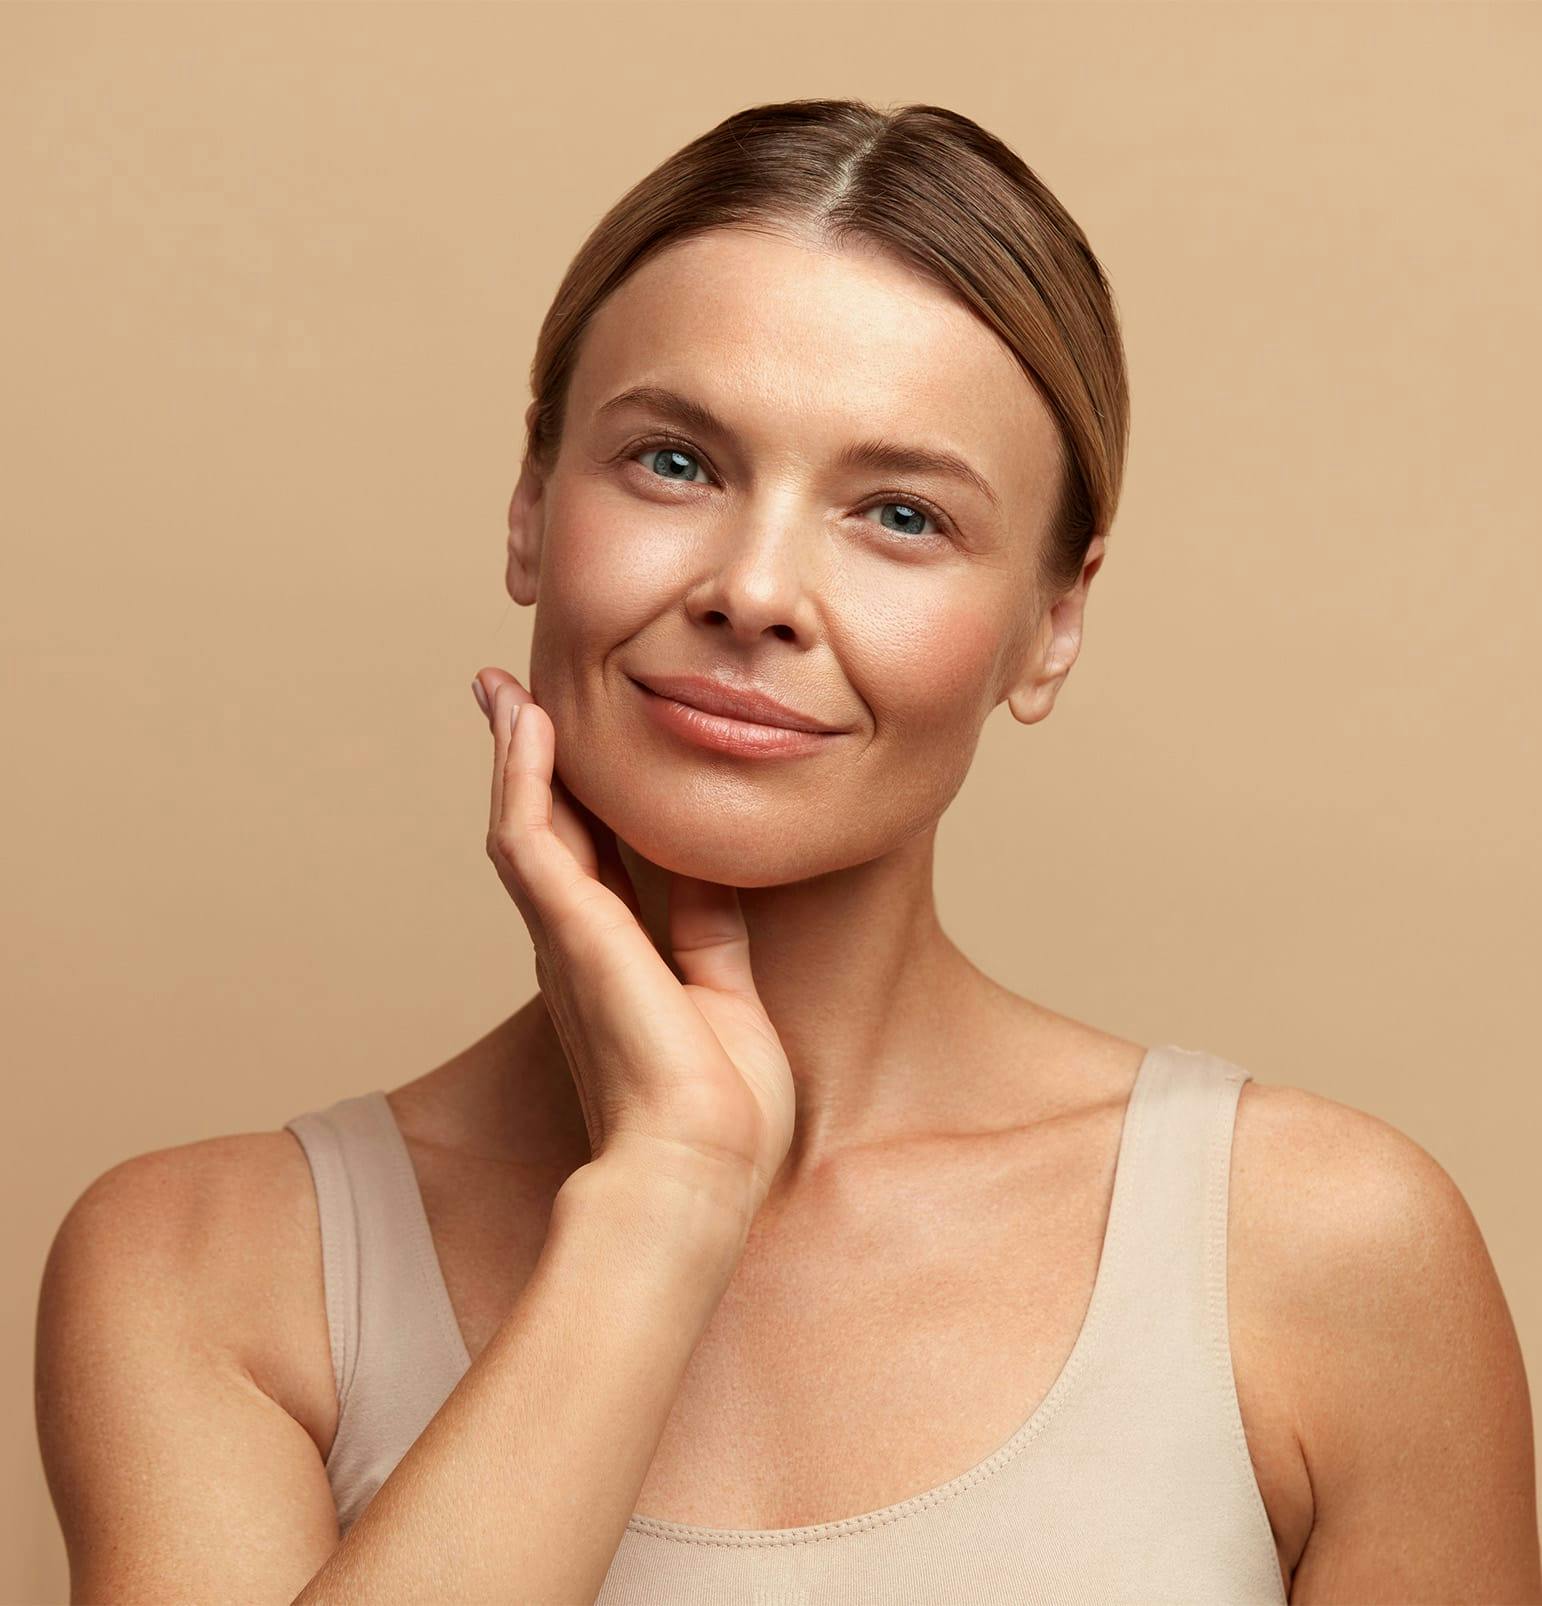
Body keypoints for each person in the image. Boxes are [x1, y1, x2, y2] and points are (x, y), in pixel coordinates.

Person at [35, 98, 1540, 1605]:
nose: (754, 591)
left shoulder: (1320, 1252)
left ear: (1052, 622)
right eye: (674, 463)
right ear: (529, 503)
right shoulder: (204, 1268)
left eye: (899, 514)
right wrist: (664, 1198)